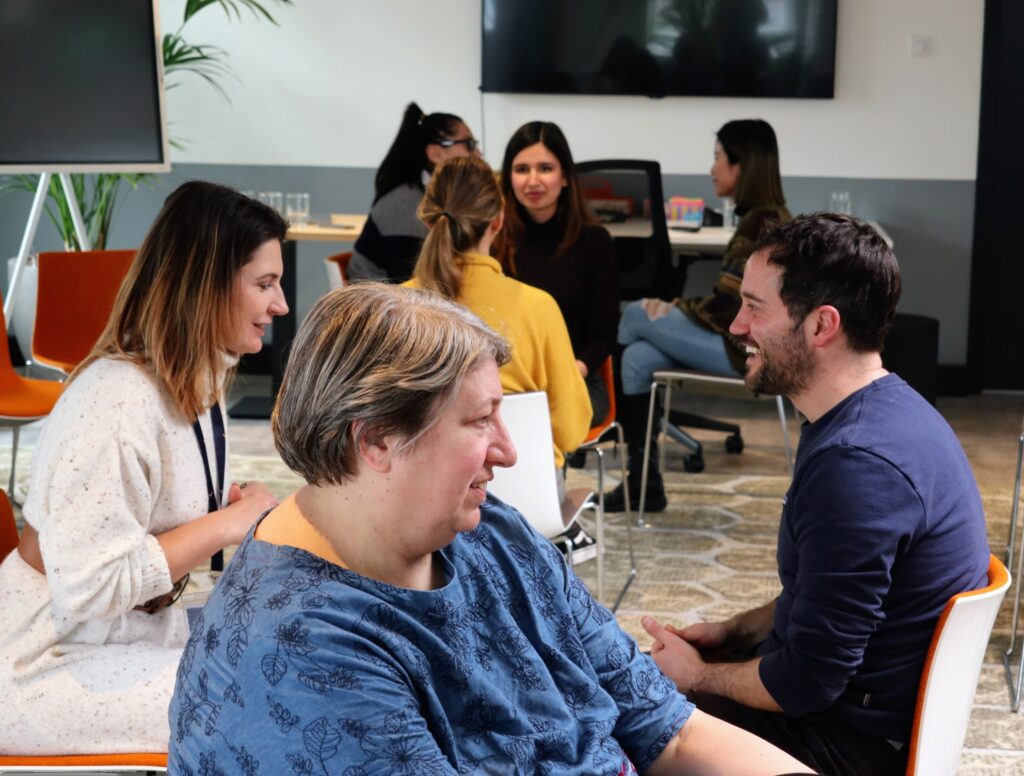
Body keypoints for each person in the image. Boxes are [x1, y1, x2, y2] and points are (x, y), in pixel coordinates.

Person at [167, 283, 811, 775]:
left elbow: (667, 728)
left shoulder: (485, 532)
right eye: (480, 422)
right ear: (378, 440)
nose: (508, 452)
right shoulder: (305, 648)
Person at [641, 214, 990, 776]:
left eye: (755, 308)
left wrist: (699, 676)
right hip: (852, 722)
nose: (735, 326)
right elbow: (844, 600)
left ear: (821, 325)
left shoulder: (857, 467)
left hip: (844, 748)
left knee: (613, 717)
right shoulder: (890, 413)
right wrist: (737, 632)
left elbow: (804, 684)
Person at [0, 181, 285, 754]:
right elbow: (90, 588)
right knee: (269, 706)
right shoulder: (118, 400)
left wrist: (222, 505)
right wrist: (228, 525)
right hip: (44, 660)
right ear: (206, 289)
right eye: (264, 284)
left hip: (124, 635)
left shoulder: (197, 381)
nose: (280, 305)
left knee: (295, 647)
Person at [607, 119, 790, 513]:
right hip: (741, 345)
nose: (712, 169)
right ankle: (644, 483)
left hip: (742, 351)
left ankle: (606, 411)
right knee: (638, 358)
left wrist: (677, 307)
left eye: (717, 158)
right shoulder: (766, 216)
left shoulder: (762, 223)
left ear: (740, 166)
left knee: (635, 314)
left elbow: (727, 310)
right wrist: (679, 309)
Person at [407, 155, 591, 476]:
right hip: (524, 504)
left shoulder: (394, 307)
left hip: (417, 510)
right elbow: (571, 431)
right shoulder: (538, 306)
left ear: (427, 221)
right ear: (498, 220)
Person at [493, 120, 620, 429]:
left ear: (565, 177)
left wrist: (572, 371)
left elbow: (603, 336)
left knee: (533, 423)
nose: (533, 181)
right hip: (505, 383)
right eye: (522, 169)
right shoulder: (494, 238)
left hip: (575, 381)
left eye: (545, 168)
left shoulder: (594, 241)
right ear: (508, 178)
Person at [349, 101, 482, 282]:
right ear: (435, 154)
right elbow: (409, 287)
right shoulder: (405, 205)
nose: (478, 153)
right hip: (379, 305)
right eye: (469, 144)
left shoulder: (437, 198)